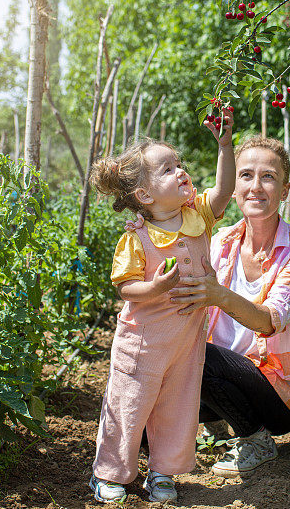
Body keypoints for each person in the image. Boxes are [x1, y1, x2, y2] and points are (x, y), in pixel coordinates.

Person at [87, 109, 235, 503]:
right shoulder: (138, 237)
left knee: (178, 405)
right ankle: (110, 473)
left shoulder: (198, 215)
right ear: (145, 195)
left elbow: (223, 192)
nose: (181, 172)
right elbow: (126, 288)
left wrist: (225, 145)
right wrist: (155, 285)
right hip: (142, 343)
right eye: (168, 169)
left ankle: (163, 472)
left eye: (180, 165)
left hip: (186, 344)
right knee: (129, 405)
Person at [168, 135, 290, 477]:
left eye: (268, 177)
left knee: (199, 353)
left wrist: (218, 294)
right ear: (234, 187)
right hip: (220, 379)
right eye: (246, 175)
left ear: (284, 190)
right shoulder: (220, 241)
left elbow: (269, 321)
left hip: (279, 394)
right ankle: (221, 423)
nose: (256, 186)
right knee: (150, 440)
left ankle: (256, 439)